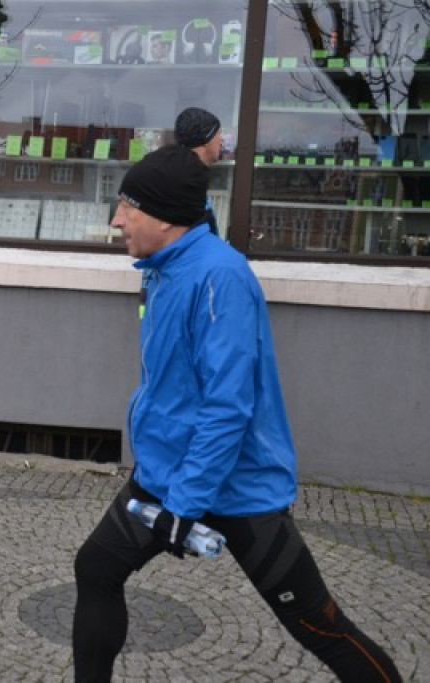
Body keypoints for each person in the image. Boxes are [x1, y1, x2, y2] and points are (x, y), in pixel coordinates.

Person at [72, 144, 401, 683]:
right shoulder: (161, 269)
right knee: (96, 568)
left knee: (318, 624)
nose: (116, 219)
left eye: (127, 206)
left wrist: (185, 505)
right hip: (165, 478)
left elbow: (227, 407)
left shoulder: (220, 278)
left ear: (163, 216)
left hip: (236, 489)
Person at [175, 106, 222, 235]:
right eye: (219, 134)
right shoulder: (183, 182)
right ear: (207, 139)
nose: (222, 141)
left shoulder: (192, 175)